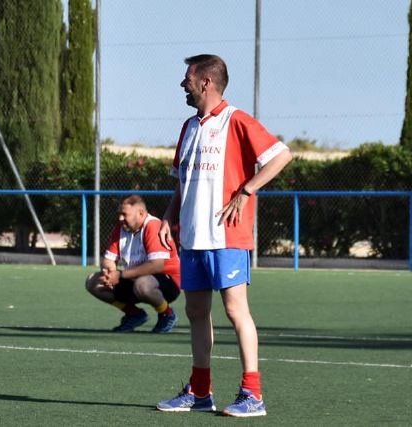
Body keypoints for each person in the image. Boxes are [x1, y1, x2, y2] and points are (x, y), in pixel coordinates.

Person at [156, 54, 293, 417]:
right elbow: (180, 182)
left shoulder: (237, 120)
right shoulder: (188, 127)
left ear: (206, 83)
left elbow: (281, 156)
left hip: (227, 237)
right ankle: (201, 392)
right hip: (193, 238)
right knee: (197, 311)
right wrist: (169, 218)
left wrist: (246, 190)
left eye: (188, 78)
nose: (182, 84)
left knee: (235, 310)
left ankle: (253, 394)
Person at [85, 195, 181, 333]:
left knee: (142, 284)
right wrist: (109, 272)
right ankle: (134, 314)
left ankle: (166, 313)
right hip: (134, 280)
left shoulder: (153, 226)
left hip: (167, 282)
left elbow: (157, 265)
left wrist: (121, 275)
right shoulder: (121, 228)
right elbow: (109, 259)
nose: (120, 218)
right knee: (93, 282)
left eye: (124, 214)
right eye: (119, 214)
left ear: (141, 213)